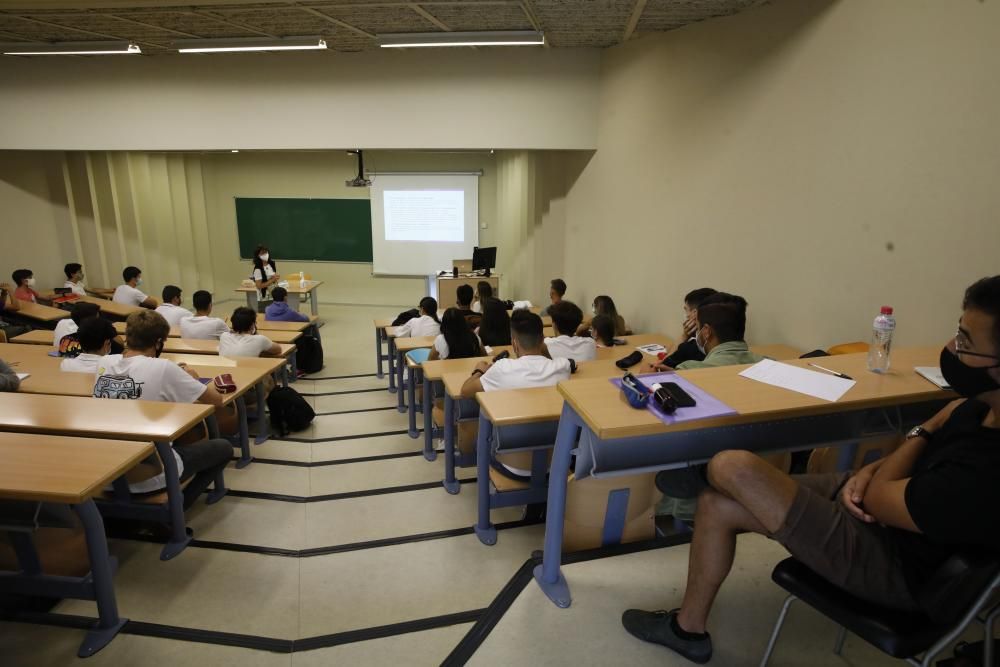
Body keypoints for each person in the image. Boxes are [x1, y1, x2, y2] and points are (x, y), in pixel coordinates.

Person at [621, 276, 1000, 664]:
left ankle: (703, 473)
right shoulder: (976, 410)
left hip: (895, 566)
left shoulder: (984, 470)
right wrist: (870, 474)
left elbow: (895, 486)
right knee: (716, 503)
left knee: (730, 465)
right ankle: (689, 630)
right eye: (957, 333)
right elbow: (902, 469)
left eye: (966, 342)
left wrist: (927, 427)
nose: (952, 348)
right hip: (883, 504)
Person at [94, 310, 233, 507]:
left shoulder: (104, 362)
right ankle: (176, 508)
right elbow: (215, 400)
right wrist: (189, 377)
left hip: (107, 469)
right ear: (158, 342)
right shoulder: (165, 368)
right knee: (223, 448)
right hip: (151, 469)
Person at [653, 292, 767, 522]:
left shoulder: (686, 373)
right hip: (763, 477)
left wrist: (651, 384)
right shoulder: (772, 367)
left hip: (703, 481)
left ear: (705, 332)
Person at [461, 310, 573, 479]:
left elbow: (465, 391)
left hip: (511, 465)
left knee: (479, 439)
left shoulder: (503, 368)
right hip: (557, 463)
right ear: (542, 340)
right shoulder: (563, 367)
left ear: (514, 343)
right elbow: (557, 362)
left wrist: (479, 370)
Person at [660, 288, 718, 369]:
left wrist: (684, 336)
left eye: (686, 310)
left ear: (695, 314)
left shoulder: (689, 348)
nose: (686, 315)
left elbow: (662, 365)